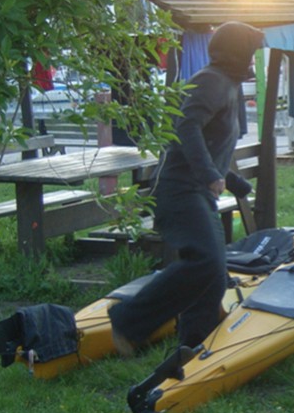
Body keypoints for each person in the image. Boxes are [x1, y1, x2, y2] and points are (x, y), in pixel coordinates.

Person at [109, 21, 262, 366]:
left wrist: (232, 181)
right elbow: (187, 127)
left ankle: (197, 338)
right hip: (178, 192)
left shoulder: (228, 84)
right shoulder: (211, 80)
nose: (253, 59)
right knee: (206, 261)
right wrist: (209, 173)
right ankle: (128, 321)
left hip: (196, 192)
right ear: (237, 53)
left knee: (214, 267)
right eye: (250, 51)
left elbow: (211, 143)